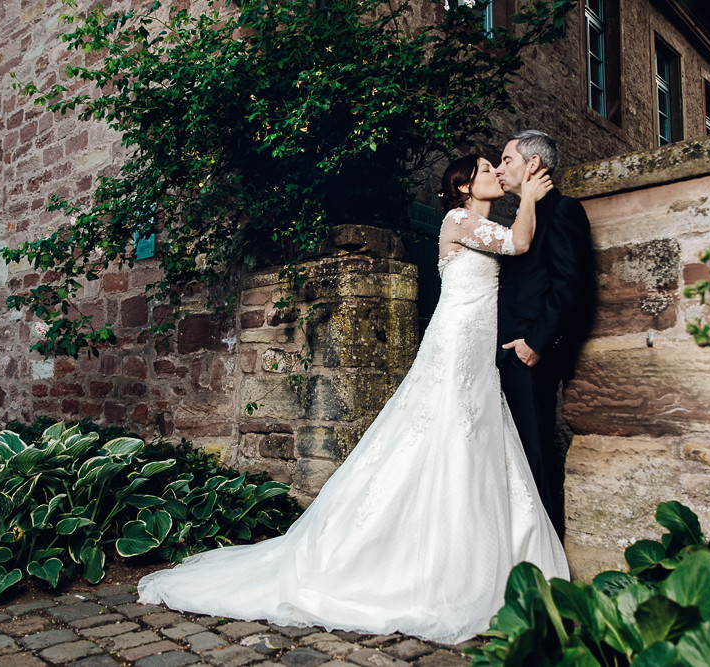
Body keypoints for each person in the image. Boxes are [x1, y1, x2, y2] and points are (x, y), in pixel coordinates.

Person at [137, 155, 569, 645]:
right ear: (466, 185)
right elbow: (520, 241)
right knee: (439, 431)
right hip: (454, 346)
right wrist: (530, 197)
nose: (496, 172)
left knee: (469, 436)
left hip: (477, 350)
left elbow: (515, 248)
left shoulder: (478, 222)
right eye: (488, 168)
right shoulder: (457, 220)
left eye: (498, 167)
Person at [495, 130, 595, 540]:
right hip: (502, 355)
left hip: (528, 357)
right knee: (510, 458)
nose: (500, 169)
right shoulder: (523, 216)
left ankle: (547, 560)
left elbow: (571, 284)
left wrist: (535, 344)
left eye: (506, 160)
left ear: (533, 164)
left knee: (535, 455)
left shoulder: (563, 211)